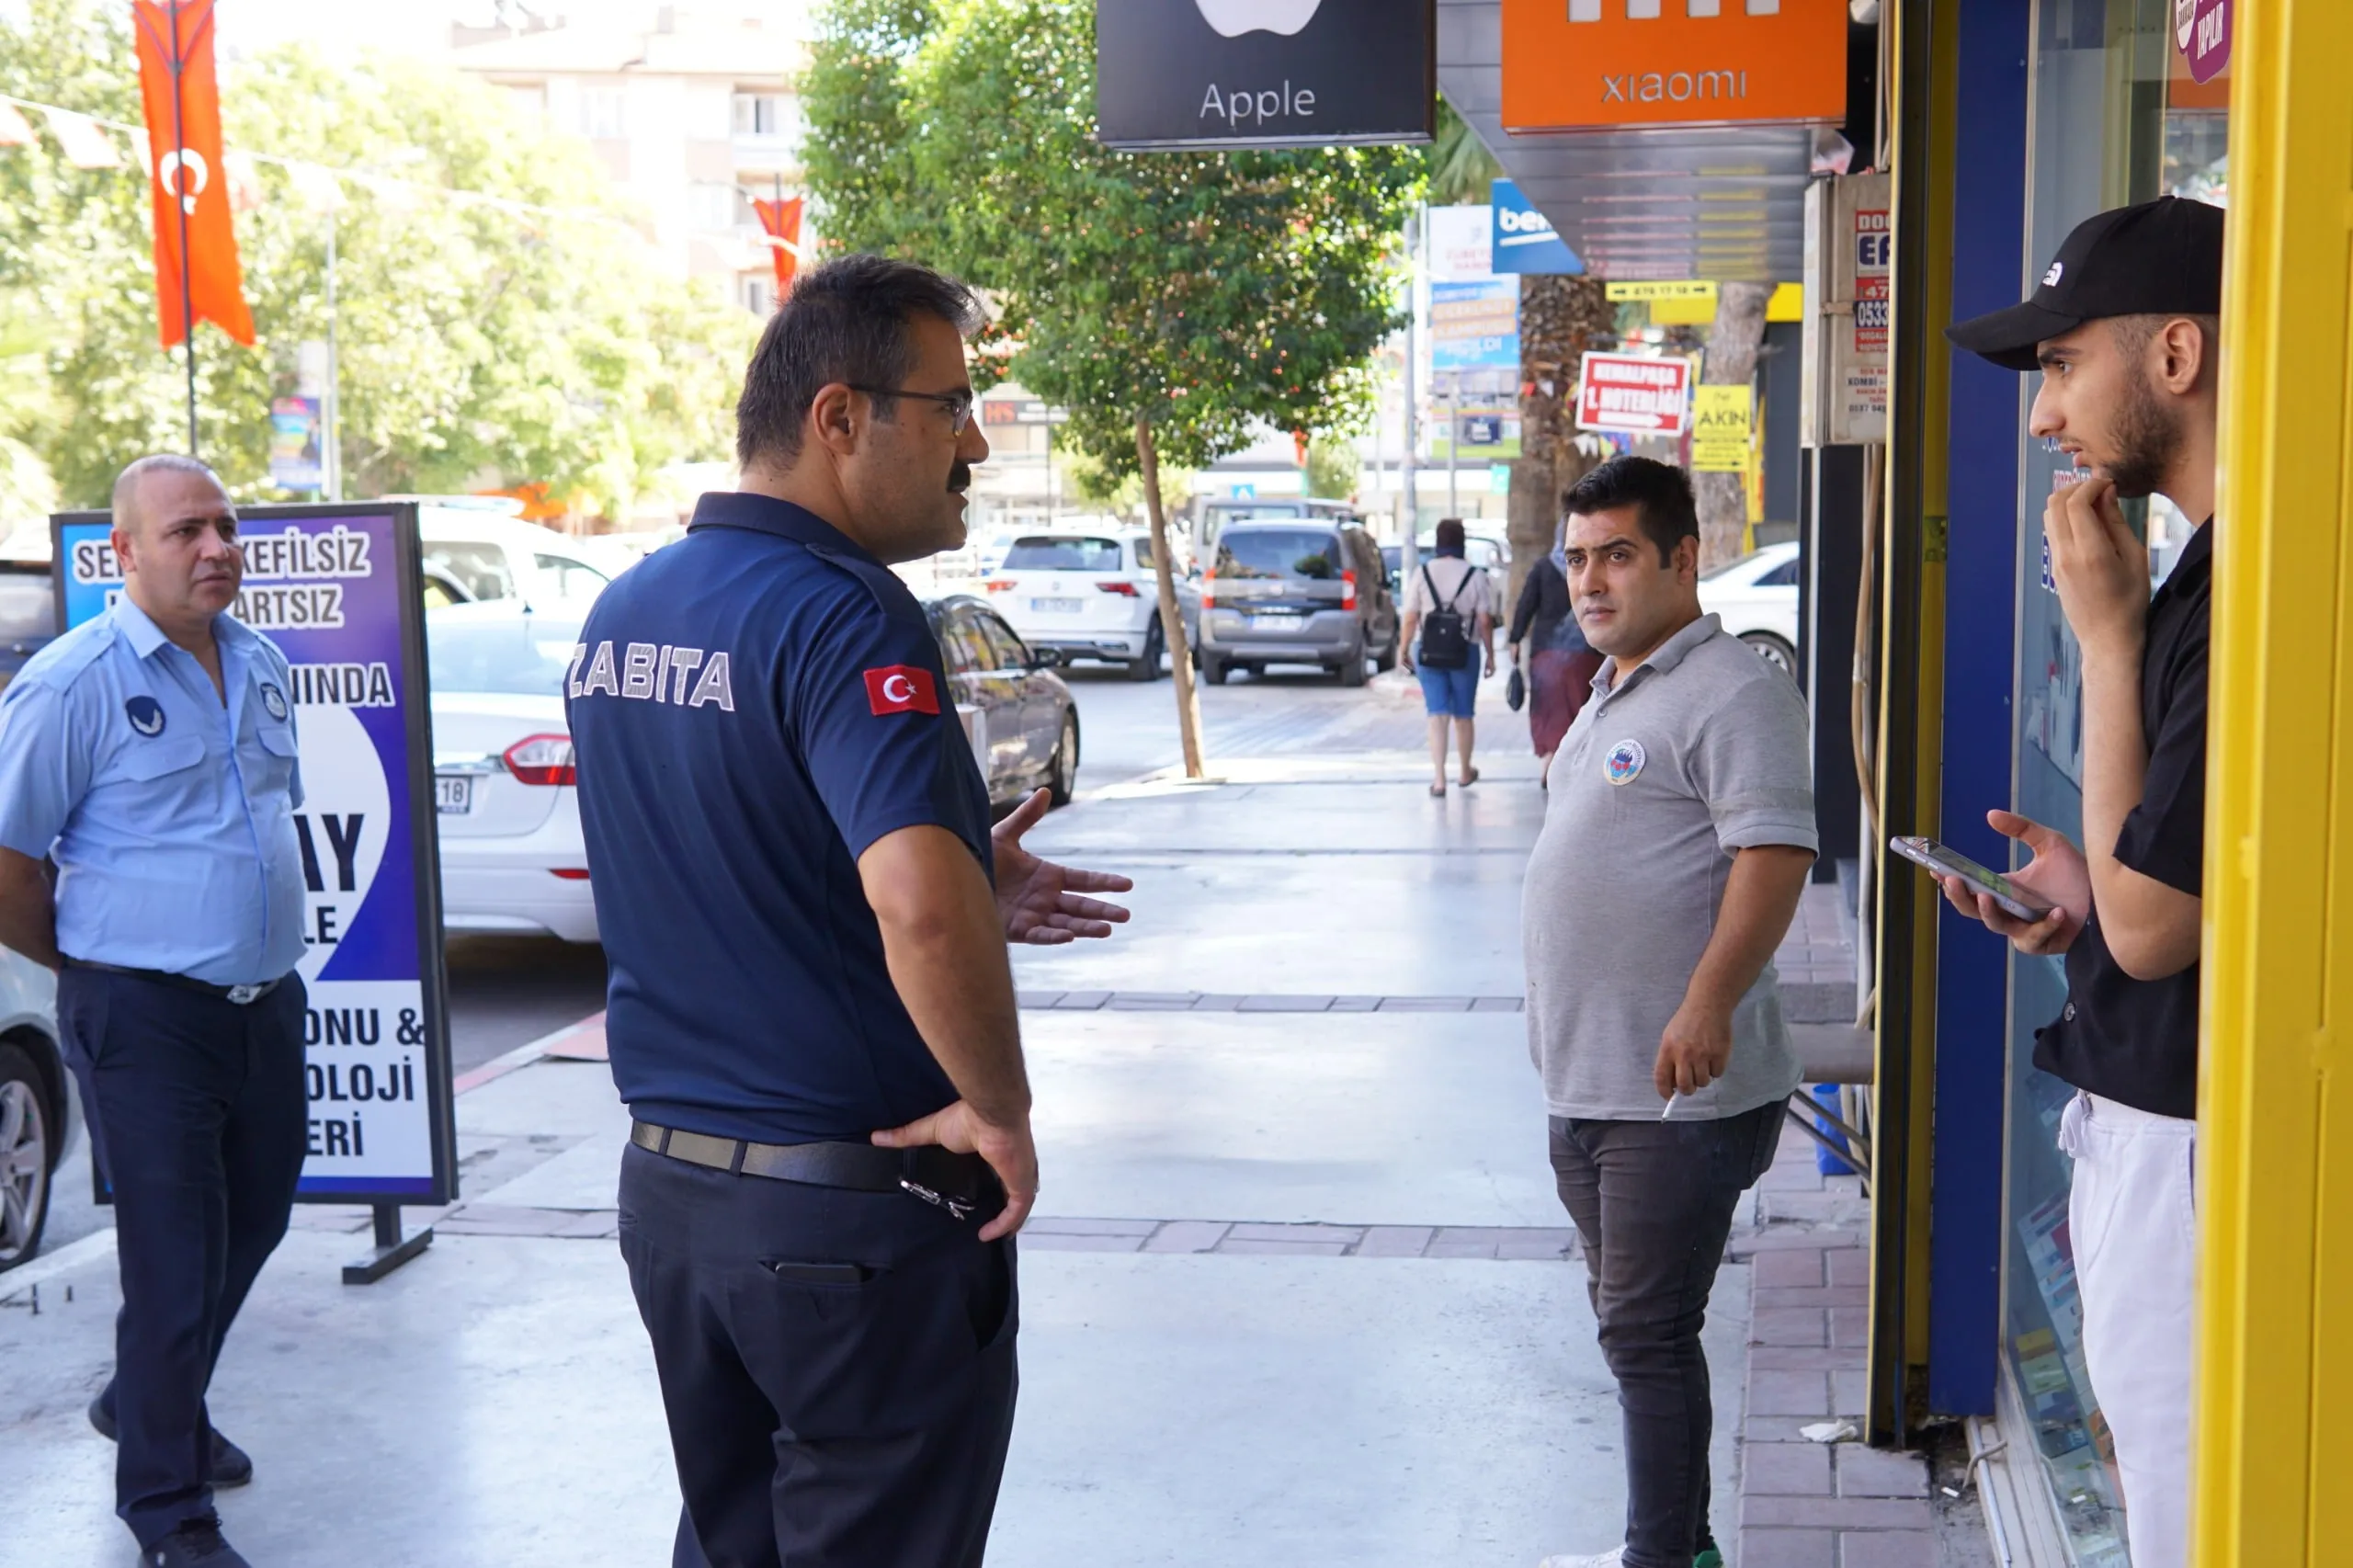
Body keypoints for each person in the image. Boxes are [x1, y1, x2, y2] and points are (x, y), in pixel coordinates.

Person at [568, 254, 1134, 1568]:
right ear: (839, 416)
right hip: (844, 1229)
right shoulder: (848, 615)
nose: (976, 442)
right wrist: (1000, 1108)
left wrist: (958, 864)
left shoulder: (627, 606)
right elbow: (920, 916)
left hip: (675, 1204)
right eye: (949, 406)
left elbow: (728, 852)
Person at [1940, 195, 2222, 1568]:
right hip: (2157, 1126)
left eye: (2060, 364)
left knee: (2179, 1513)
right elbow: (2148, 891)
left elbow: (2161, 925)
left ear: (2176, 355)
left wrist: (2105, 644)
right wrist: (2084, 895)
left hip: (2190, 1144)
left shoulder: (2233, 596)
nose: (2044, 415)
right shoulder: (2203, 577)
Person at [0, 455, 308, 1568]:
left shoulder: (263, 662)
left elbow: (266, 824)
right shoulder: (72, 682)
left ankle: (144, 1400)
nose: (217, 546)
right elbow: (8, 858)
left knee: (258, 1219)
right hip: (143, 1015)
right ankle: (168, 1509)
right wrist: (94, 963)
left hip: (263, 1003)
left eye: (226, 525)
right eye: (186, 530)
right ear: (124, 553)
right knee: (175, 1261)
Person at [1525, 456, 1817, 1568]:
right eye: (1578, 558)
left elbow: (1775, 851)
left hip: (1679, 1091)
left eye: (1617, 555)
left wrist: (1707, 1003)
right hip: (1592, 1081)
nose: (1590, 581)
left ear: (1683, 558)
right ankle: (1681, 1543)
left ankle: (1664, 1554)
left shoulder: (1733, 686)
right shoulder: (1613, 686)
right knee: (1634, 1330)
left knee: (1644, 1331)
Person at [1399, 517, 1496, 797]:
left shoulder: (1422, 572)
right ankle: (1465, 771)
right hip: (1465, 650)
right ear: (1462, 541)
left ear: (1439, 542)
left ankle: (1439, 779)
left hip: (1428, 651)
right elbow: (1485, 621)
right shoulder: (1475, 574)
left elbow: (1409, 616)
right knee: (1464, 715)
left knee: (1436, 714)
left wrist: (1403, 649)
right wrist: (1490, 655)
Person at [1507, 518, 1605, 787]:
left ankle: (1550, 761)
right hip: (1586, 652)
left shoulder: (1543, 568)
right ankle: (1573, 765)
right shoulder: (1593, 567)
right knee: (1580, 707)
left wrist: (1515, 639)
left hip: (1545, 653)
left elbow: (1526, 604)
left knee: (1548, 708)